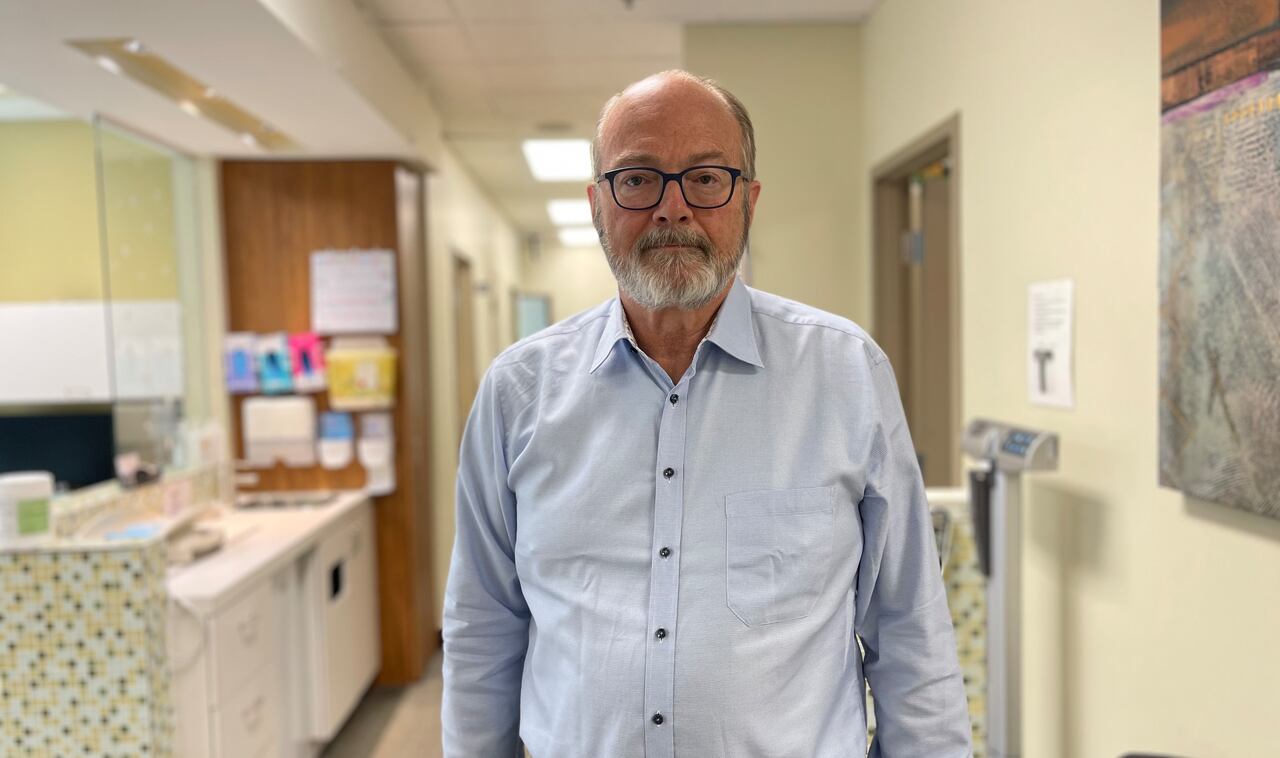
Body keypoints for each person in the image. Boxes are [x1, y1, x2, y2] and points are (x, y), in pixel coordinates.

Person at [442, 69, 972, 757]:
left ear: (748, 201)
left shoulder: (844, 374)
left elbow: (910, 632)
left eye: (705, 177)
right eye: (637, 178)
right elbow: (484, 629)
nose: (672, 209)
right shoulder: (518, 392)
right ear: (597, 204)